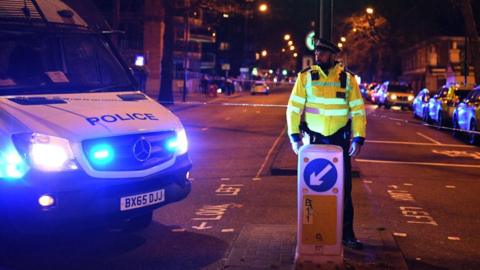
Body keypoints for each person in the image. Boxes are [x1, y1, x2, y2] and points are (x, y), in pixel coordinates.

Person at [286, 38, 367, 250]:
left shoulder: (347, 79)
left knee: (344, 188)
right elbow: (293, 109)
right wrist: (294, 137)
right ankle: (311, 231)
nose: (317, 56)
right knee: (311, 189)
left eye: (322, 53)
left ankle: (347, 234)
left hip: (339, 140)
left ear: (333, 55)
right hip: (313, 139)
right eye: (316, 53)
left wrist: (358, 138)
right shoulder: (306, 77)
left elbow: (358, 111)